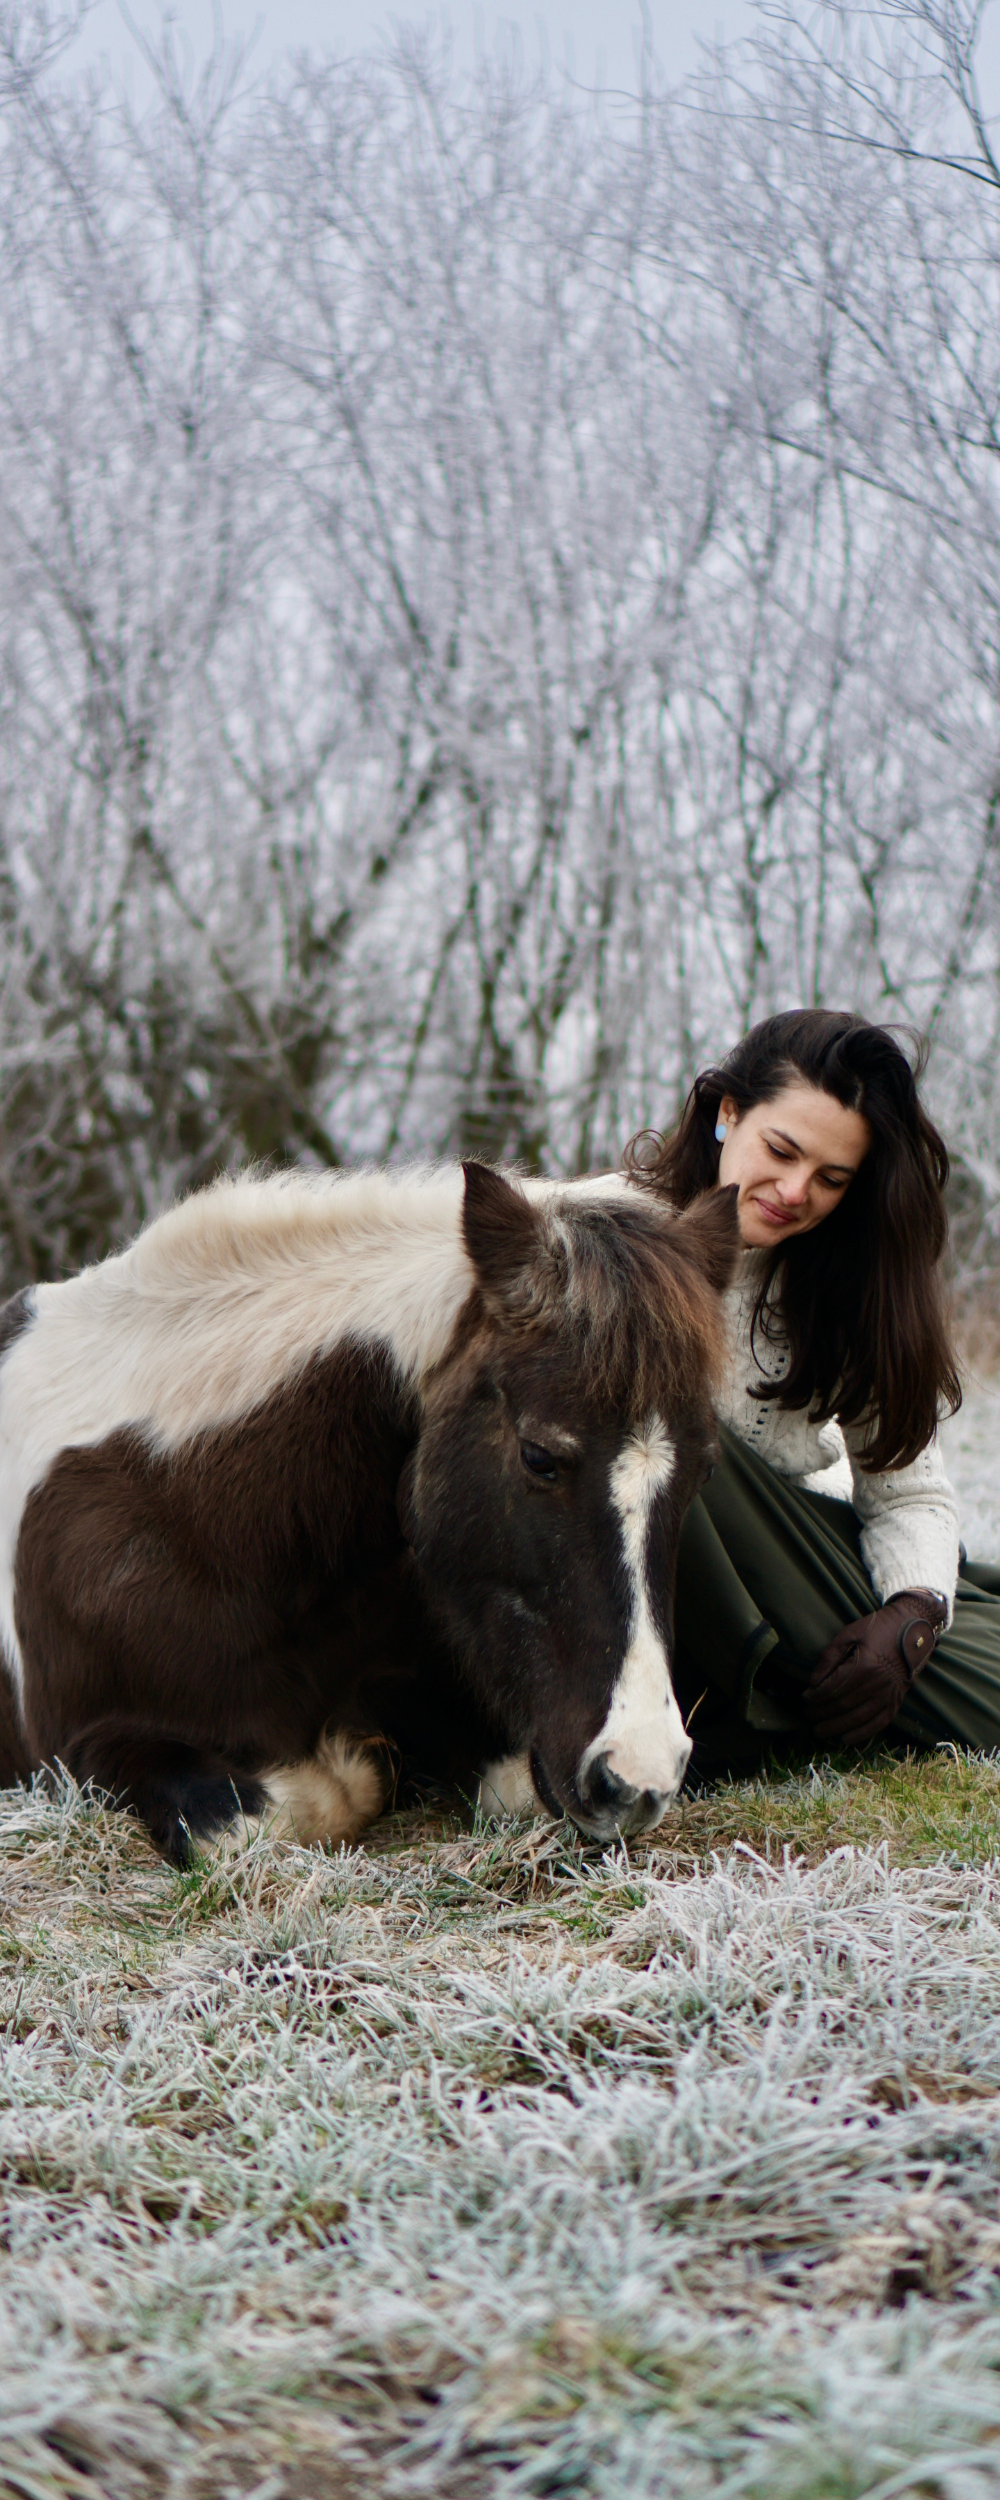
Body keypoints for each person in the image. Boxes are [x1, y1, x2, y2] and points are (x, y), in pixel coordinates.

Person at [626, 1008, 1000, 1776]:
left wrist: (911, 1621)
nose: (797, 1192)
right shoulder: (609, 1230)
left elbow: (909, 1496)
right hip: (631, 1579)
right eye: (782, 1150)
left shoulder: (843, 1284)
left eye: (832, 1179)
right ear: (728, 1113)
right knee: (661, 1430)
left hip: (791, 1575)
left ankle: (784, 1698)